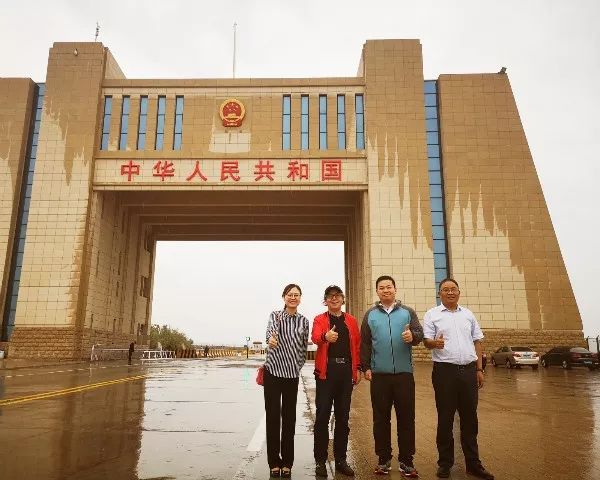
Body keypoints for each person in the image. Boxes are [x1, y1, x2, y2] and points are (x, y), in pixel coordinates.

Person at [423, 278, 494, 480]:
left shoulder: (468, 314)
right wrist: (434, 343)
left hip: (469, 371)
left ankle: (473, 464)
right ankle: (445, 463)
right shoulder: (432, 314)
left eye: (453, 289)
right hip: (444, 372)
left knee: (470, 419)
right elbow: (426, 341)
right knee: (445, 419)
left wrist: (479, 369)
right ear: (440, 294)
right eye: (445, 289)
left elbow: (477, 342)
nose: (450, 292)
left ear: (459, 292)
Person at [360, 275, 423, 478]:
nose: (386, 290)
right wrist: (366, 366)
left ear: (395, 289)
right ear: (377, 291)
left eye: (389, 287)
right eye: (382, 287)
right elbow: (365, 343)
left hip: (404, 375)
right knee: (381, 419)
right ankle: (383, 459)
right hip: (380, 376)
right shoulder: (370, 315)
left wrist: (413, 336)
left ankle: (406, 461)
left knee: (406, 419)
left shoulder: (407, 312)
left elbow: (419, 334)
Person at [312, 285, 361, 477]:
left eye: (337, 296)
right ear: (325, 300)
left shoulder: (351, 320)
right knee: (322, 417)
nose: (334, 299)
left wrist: (357, 369)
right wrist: (325, 336)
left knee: (342, 418)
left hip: (345, 372)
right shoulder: (320, 319)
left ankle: (341, 459)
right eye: (330, 296)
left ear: (343, 299)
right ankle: (320, 461)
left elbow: (357, 346)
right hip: (326, 372)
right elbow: (315, 337)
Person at [263, 284, 310, 478]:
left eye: (296, 295)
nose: (293, 297)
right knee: (273, 417)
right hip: (273, 373)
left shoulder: (304, 321)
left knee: (290, 419)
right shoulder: (275, 316)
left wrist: (297, 366)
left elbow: (303, 348)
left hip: (291, 375)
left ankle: (287, 462)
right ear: (284, 297)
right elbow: (270, 333)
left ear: (300, 298)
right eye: (290, 294)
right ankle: (274, 462)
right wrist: (271, 340)